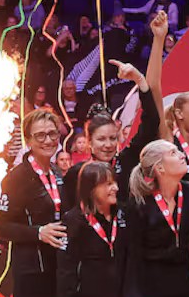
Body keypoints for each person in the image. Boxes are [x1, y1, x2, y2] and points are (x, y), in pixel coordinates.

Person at [60, 13, 167, 207]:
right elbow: (68, 213)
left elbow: (152, 121)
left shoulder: (126, 162)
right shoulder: (77, 173)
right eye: (101, 139)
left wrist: (139, 80)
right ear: (89, 142)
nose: (108, 145)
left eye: (112, 138)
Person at [0, 110, 67, 297]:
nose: (48, 140)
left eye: (52, 134)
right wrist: (38, 232)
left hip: (59, 268)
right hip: (32, 273)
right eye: (40, 135)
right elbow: (1, 227)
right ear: (28, 140)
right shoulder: (16, 178)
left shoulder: (57, 172)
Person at [125, 139, 189, 297]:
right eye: (173, 153)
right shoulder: (140, 203)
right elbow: (134, 256)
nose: (182, 155)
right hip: (152, 291)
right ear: (159, 168)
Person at [56, 162, 127, 297]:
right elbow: (66, 269)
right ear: (91, 188)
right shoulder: (73, 220)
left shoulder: (123, 213)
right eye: (108, 184)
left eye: (115, 182)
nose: (116, 188)